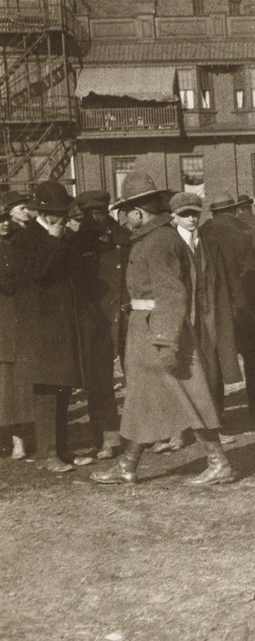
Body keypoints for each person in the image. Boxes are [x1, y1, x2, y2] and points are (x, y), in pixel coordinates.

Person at [91, 183, 236, 486]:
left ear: (137, 212)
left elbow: (171, 294)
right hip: (147, 330)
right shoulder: (152, 238)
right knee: (141, 399)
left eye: (125, 214)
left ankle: (218, 461)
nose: (124, 220)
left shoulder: (159, 242)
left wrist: (167, 342)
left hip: (160, 331)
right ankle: (128, 465)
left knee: (190, 396)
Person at [24, 182, 85, 473]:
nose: (62, 217)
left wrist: (63, 239)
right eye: (58, 213)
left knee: (63, 387)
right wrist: (52, 240)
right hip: (41, 324)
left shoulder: (61, 235)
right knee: (47, 389)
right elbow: (37, 273)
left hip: (62, 322)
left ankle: (62, 450)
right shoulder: (24, 239)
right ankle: (47, 454)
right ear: (45, 215)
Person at [69, 190, 126, 459]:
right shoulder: (78, 241)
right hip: (96, 320)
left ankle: (152, 431)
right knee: (99, 381)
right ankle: (106, 436)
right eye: (91, 214)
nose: (96, 218)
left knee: (139, 376)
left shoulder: (123, 236)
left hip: (126, 314)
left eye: (100, 212)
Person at [203, 192, 255, 412]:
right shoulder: (243, 231)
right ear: (233, 209)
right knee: (250, 350)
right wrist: (254, 303)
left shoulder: (202, 232)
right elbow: (251, 271)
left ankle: (217, 408)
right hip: (241, 302)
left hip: (214, 303)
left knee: (215, 354)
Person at [0, 195, 35, 457]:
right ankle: (17, 441)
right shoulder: (8, 243)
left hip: (24, 315)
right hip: (8, 317)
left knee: (21, 378)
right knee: (10, 379)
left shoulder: (28, 236)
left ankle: (24, 438)